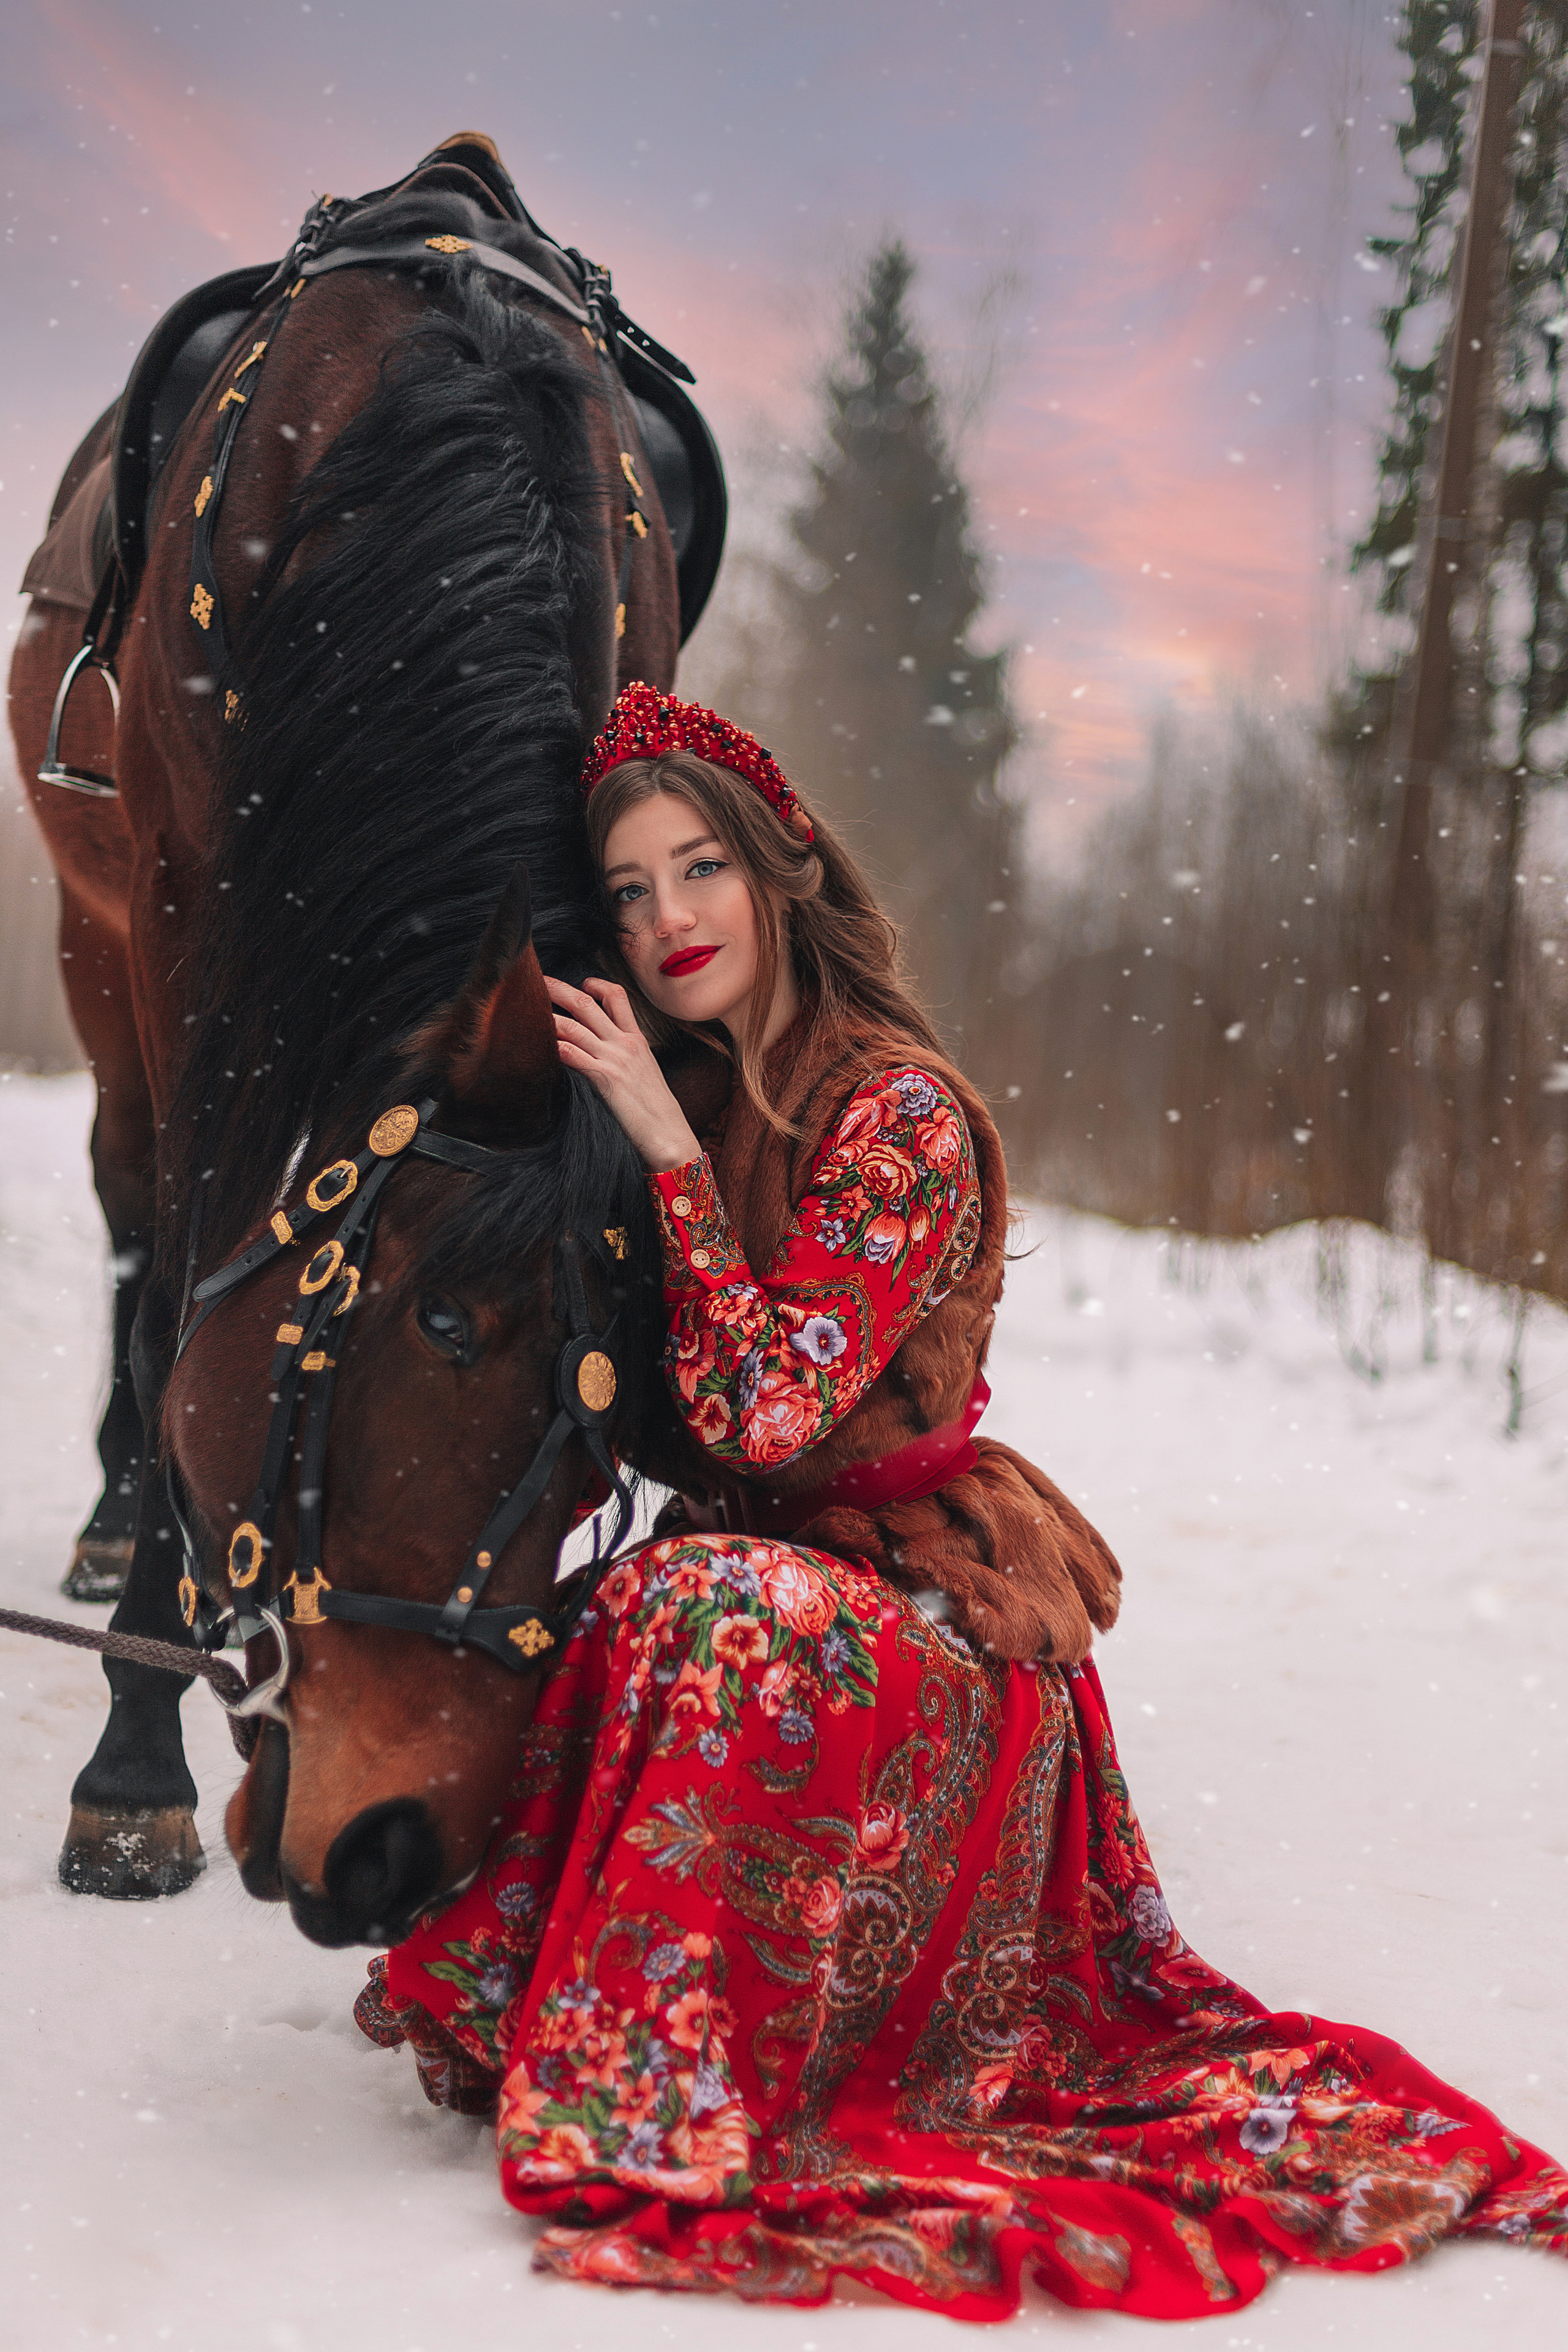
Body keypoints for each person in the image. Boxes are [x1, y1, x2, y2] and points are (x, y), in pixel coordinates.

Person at [358, 684, 1566, 2320]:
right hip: (780, 1598)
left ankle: (712, 2069)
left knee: (719, 1607)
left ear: (779, 871)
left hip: (934, 1628)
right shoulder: (689, 1101)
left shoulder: (896, 1114)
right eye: (631, 893)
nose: (668, 920)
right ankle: (617, 2024)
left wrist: (668, 1158)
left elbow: (767, 1413)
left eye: (698, 866)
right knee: (651, 1597)